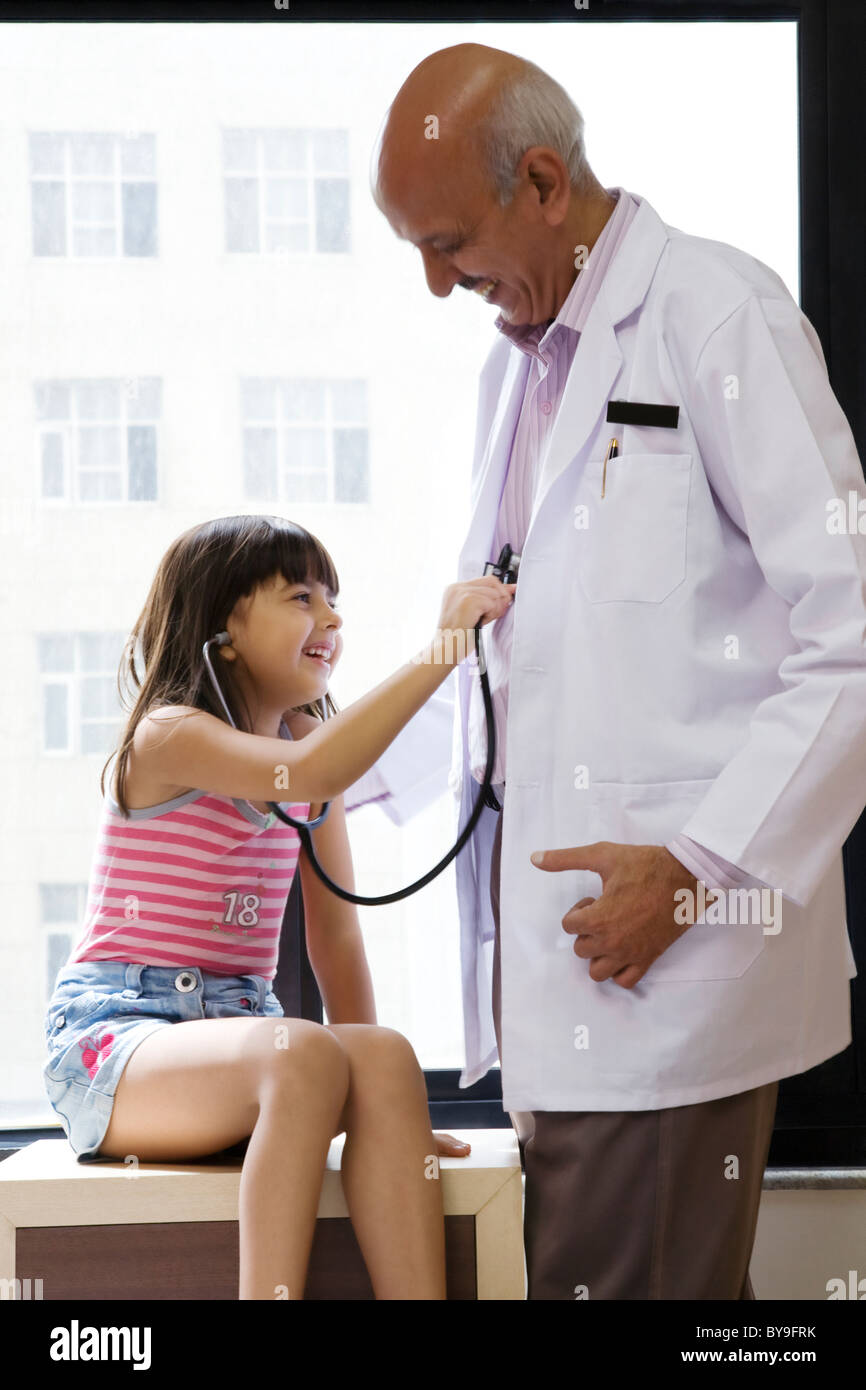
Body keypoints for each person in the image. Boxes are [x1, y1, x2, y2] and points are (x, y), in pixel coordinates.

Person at [371, 43, 866, 1298]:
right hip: (564, 978)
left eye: (447, 242)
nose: (438, 286)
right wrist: (328, 775)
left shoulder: (714, 313)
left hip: (660, 969)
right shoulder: (513, 366)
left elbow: (850, 632)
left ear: (542, 180)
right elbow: (533, 648)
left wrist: (700, 871)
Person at [42, 511, 515, 1300]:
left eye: (334, 602)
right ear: (222, 626)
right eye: (301, 597)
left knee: (385, 1055)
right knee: (302, 1056)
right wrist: (443, 649)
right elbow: (310, 769)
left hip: (237, 1045)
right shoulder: (170, 736)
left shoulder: (307, 756)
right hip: (116, 1046)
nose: (331, 619)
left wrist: (385, 1113)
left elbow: (338, 940)